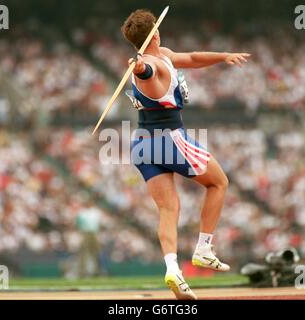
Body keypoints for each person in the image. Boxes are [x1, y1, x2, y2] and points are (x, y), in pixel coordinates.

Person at [121, 9, 250, 299]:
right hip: (168, 138)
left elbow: (191, 58)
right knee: (219, 183)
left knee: (169, 209)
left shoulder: (163, 54)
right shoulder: (150, 66)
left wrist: (222, 56)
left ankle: (172, 269)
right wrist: (140, 68)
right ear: (154, 33)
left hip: (142, 144)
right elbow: (149, 75)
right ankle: (204, 248)